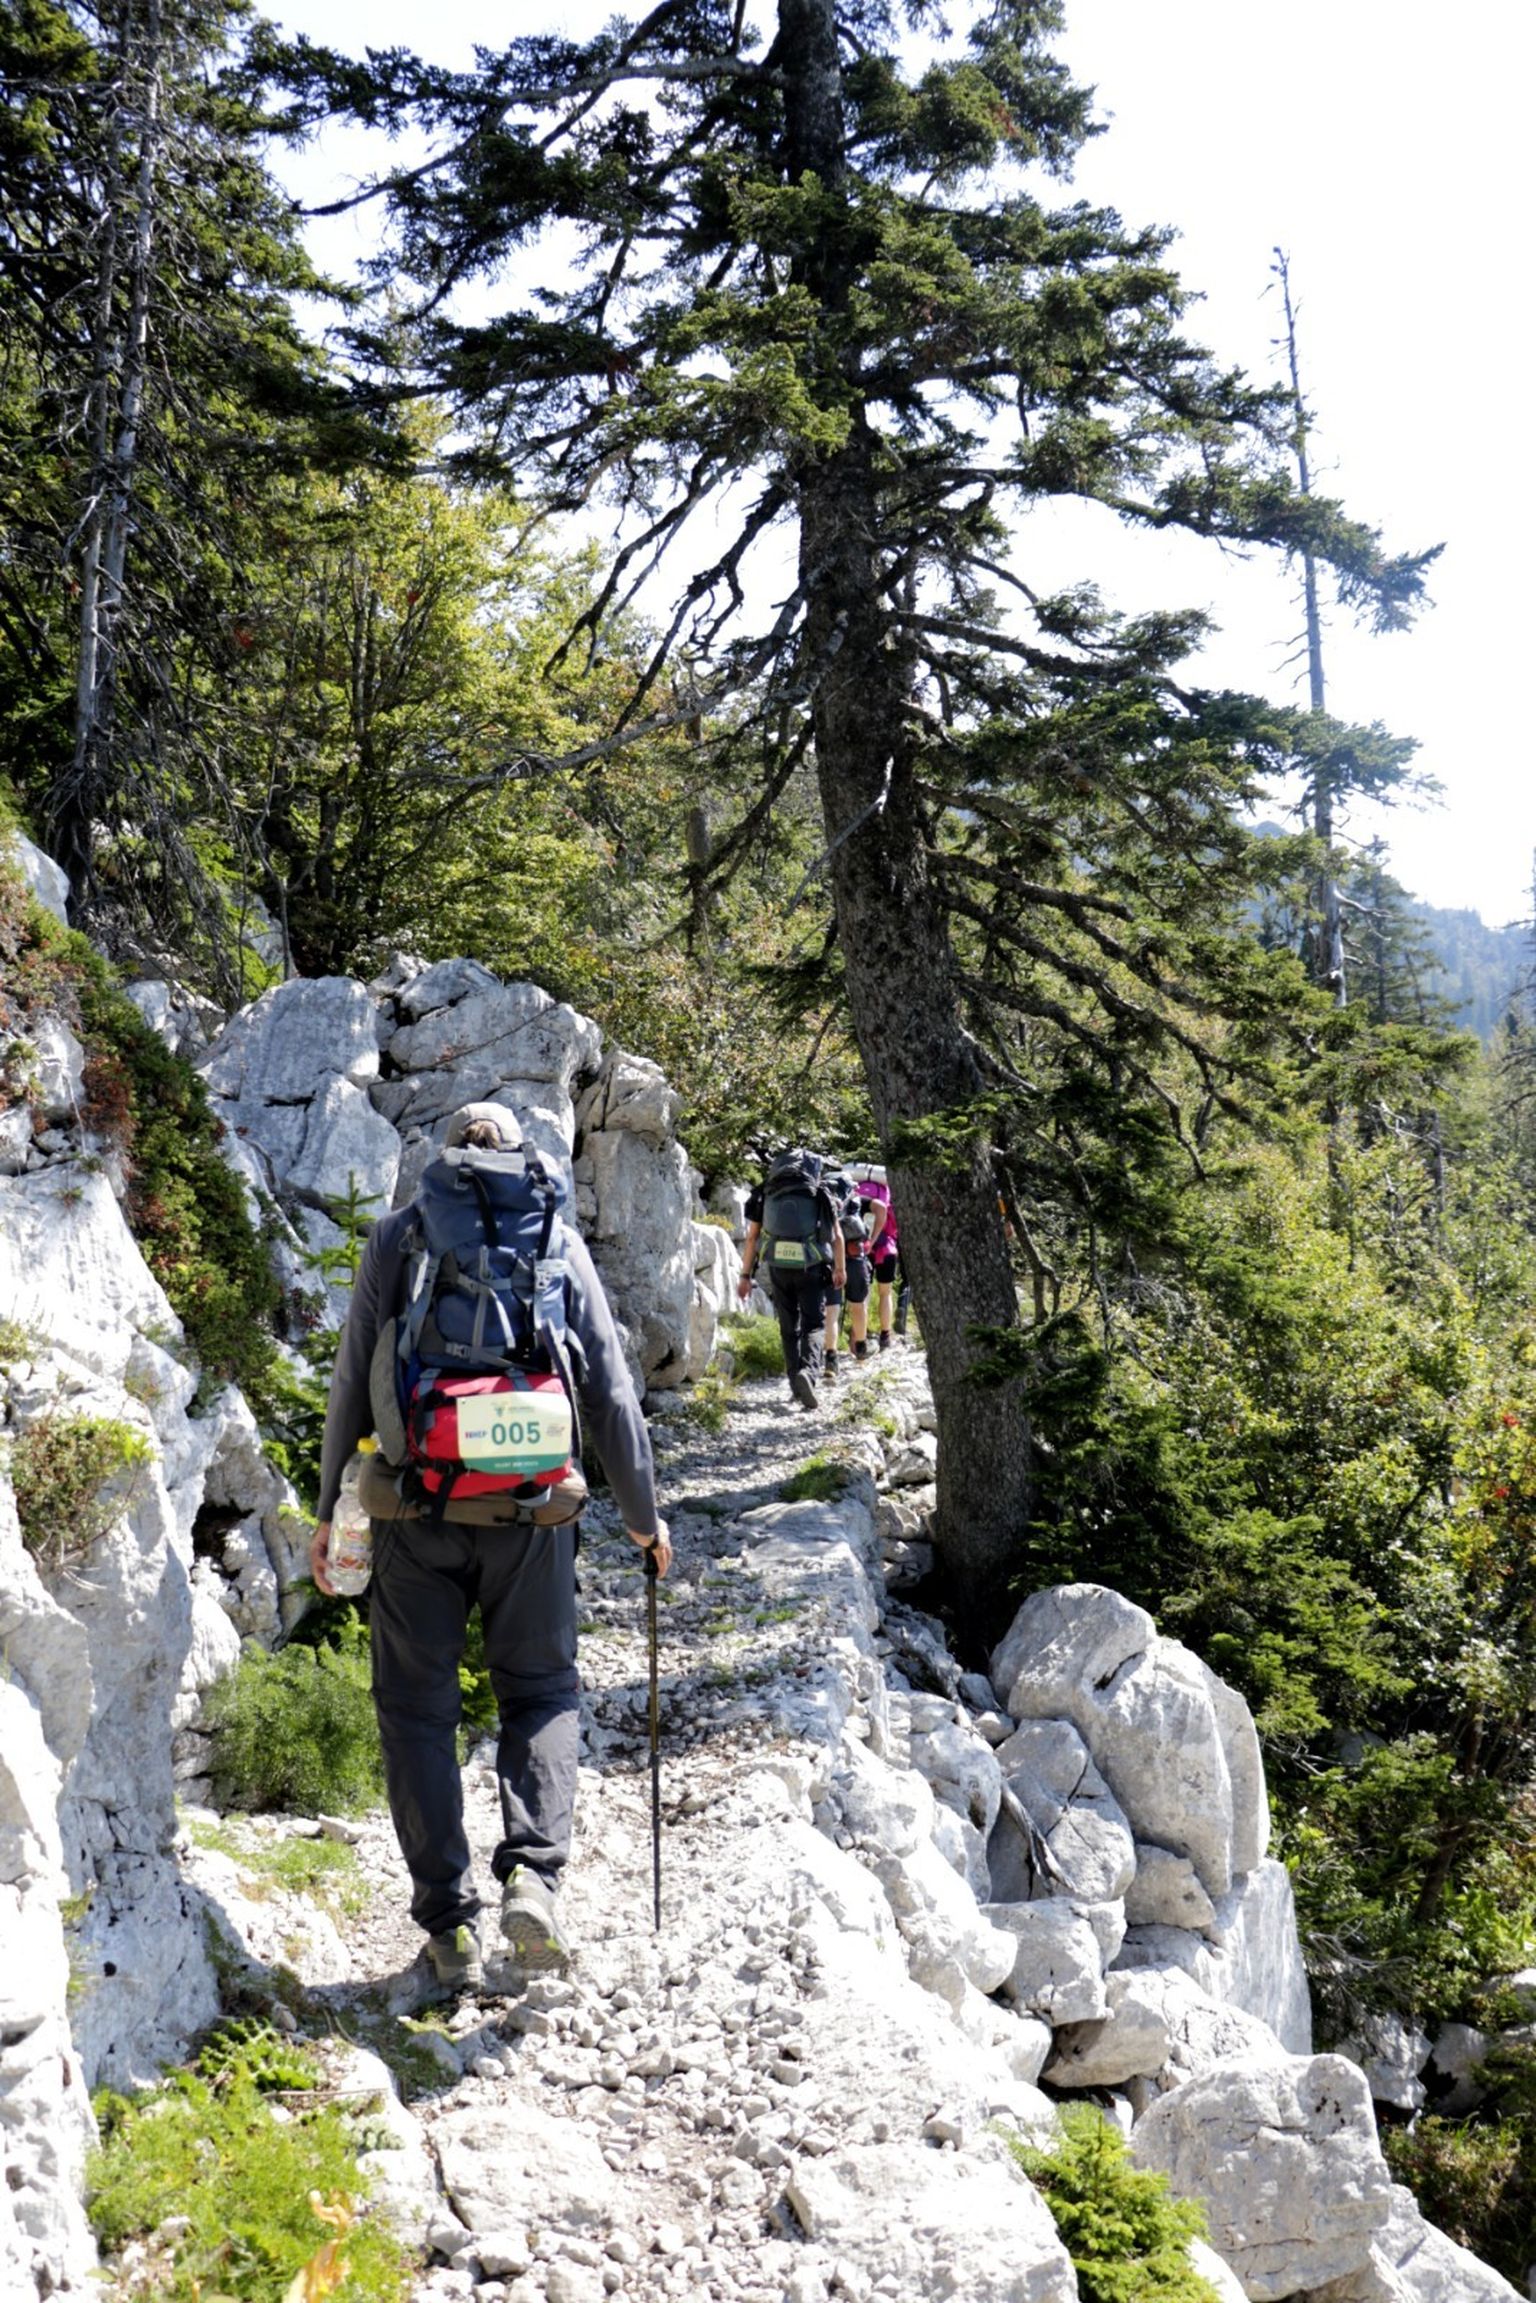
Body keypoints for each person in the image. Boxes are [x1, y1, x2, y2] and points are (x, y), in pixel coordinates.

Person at [310, 1101, 670, 1998]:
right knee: (540, 1691)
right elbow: (609, 1387)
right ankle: (534, 1882)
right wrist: (643, 1518)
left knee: (416, 1713)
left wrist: (328, 1510)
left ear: (442, 1164)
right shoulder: (553, 1235)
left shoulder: (398, 1236)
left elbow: (354, 1375)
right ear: (518, 1160)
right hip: (533, 1513)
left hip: (415, 1507)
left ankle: (449, 1929)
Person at [736, 1147, 846, 1410]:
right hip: (811, 1266)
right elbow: (837, 1237)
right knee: (814, 1324)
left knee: (788, 1327)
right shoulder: (820, 1193)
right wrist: (840, 1268)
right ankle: (808, 1373)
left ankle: (795, 1383)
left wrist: (745, 1276)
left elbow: (752, 1238)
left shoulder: (767, 1192)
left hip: (778, 1267)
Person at [819, 1162, 873, 1378]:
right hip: (854, 1256)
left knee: (831, 1310)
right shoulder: (855, 1198)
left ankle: (831, 1359)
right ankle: (860, 1349)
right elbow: (880, 1207)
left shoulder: (823, 1197)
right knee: (858, 1305)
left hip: (830, 1258)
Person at [853, 1163, 901, 1350]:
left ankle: (860, 1337)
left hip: (860, 1249)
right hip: (886, 1248)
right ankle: (885, 1335)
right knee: (885, 1292)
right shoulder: (886, 1193)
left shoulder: (857, 1192)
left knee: (862, 1295)